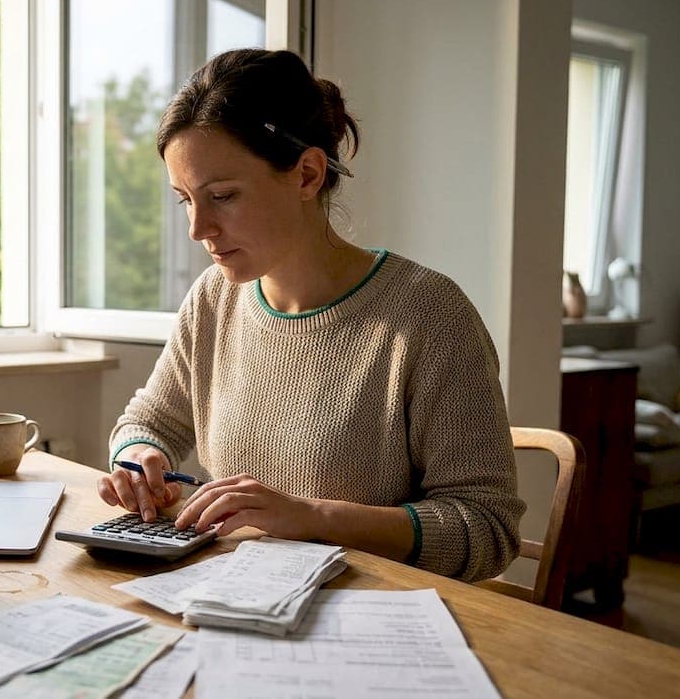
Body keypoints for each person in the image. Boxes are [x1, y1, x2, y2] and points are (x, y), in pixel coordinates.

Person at [96, 48, 524, 582]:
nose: (197, 228)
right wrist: (139, 461)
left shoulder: (428, 315)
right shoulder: (213, 300)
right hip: (234, 600)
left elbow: (487, 530)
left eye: (223, 196)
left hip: (377, 628)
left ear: (306, 175)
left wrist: (315, 517)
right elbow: (148, 422)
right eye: (185, 200)